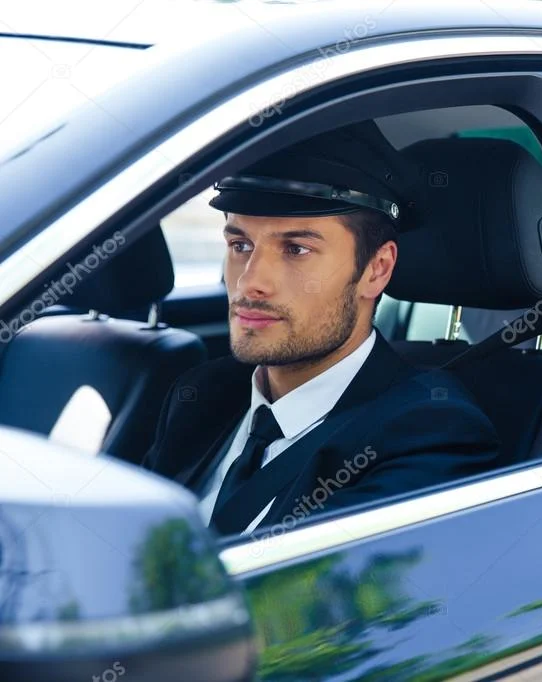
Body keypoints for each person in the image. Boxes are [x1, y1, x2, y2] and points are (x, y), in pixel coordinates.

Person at [142, 122, 500, 536]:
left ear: (376, 270)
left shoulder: (431, 433)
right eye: (241, 246)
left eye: (296, 250)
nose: (248, 282)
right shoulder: (201, 394)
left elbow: (318, 597)